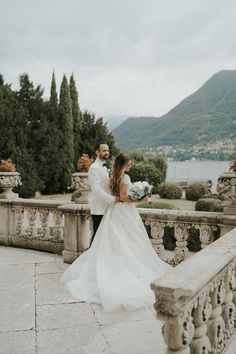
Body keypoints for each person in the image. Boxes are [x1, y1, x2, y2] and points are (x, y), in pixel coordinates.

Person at [62, 153, 172, 311]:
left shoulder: (114, 176)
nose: (130, 166)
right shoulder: (125, 178)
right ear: (123, 164)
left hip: (115, 211)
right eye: (128, 164)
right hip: (124, 212)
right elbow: (123, 197)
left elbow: (118, 196)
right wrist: (142, 199)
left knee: (118, 241)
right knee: (130, 240)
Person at [88, 141, 120, 246]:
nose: (106, 152)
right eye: (104, 150)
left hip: (107, 207)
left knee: (105, 237)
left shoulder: (104, 167)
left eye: (107, 150)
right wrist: (113, 199)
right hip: (98, 209)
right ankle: (90, 260)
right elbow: (96, 190)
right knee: (97, 236)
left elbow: (106, 187)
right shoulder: (94, 168)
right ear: (97, 152)